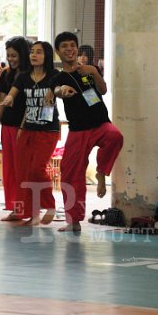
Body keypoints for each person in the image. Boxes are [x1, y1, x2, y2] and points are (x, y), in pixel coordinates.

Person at [51, 32, 124, 232]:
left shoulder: (88, 70)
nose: (69, 49)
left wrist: (94, 71)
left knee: (115, 136)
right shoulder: (58, 76)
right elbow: (56, 90)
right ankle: (73, 221)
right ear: (58, 51)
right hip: (78, 131)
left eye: (72, 45)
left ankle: (101, 172)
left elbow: (103, 90)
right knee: (69, 174)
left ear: (77, 48)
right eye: (64, 46)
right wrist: (61, 91)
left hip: (100, 124)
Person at [0, 41, 59, 226]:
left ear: (47, 55)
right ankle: (32, 214)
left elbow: (60, 88)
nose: (34, 55)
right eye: (32, 52)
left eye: (39, 52)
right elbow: (13, 93)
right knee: (24, 173)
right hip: (27, 129)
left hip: (48, 130)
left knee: (36, 169)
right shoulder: (24, 77)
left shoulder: (54, 75)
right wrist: (9, 99)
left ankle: (50, 206)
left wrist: (55, 90)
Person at [0, 37, 31, 220]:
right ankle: (16, 206)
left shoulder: (30, 75)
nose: (11, 59)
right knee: (10, 169)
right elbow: (1, 101)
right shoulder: (7, 74)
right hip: (7, 126)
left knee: (22, 168)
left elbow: (31, 105)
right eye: (8, 56)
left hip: (23, 128)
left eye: (14, 56)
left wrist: (23, 127)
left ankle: (26, 207)